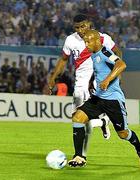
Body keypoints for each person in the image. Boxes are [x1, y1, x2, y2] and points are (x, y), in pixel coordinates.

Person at [68, 29, 140, 168]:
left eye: (88, 41)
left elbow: (121, 64)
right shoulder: (93, 54)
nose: (86, 44)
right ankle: (79, 156)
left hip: (113, 101)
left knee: (123, 134)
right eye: (85, 41)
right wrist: (91, 80)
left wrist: (106, 80)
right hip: (98, 97)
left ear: (97, 41)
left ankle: (139, 146)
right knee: (77, 118)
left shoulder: (106, 53)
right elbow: (99, 68)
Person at [48, 14, 122, 158]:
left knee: (80, 118)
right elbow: (63, 60)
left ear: (89, 24)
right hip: (80, 84)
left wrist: (115, 75)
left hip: (97, 82)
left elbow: (117, 53)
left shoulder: (102, 38)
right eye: (77, 27)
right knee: (78, 118)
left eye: (83, 26)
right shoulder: (70, 40)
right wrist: (53, 78)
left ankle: (81, 156)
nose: (81, 30)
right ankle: (102, 122)